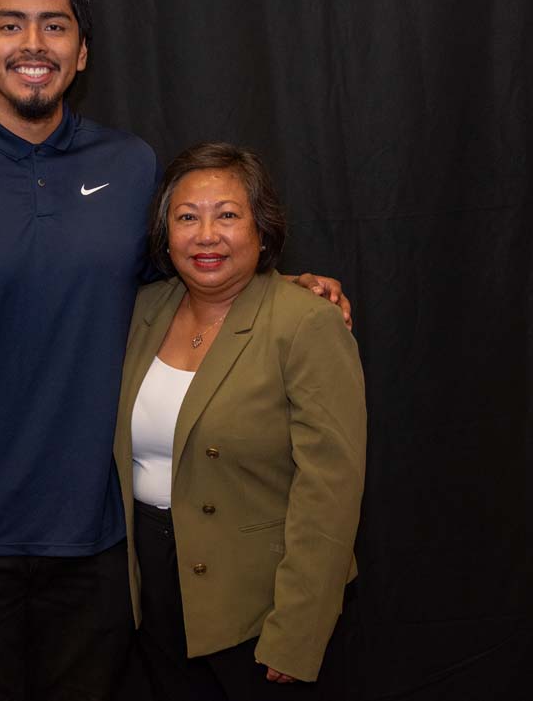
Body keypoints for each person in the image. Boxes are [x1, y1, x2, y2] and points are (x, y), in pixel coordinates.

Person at [0, 0, 350, 701]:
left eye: (55, 26)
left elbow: (193, 284)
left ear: (81, 53)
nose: (33, 44)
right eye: (11, 25)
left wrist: (288, 289)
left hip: (103, 547)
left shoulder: (133, 167)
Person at [114, 143, 367, 700]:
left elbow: (331, 491)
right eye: (187, 217)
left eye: (227, 215)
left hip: (259, 605)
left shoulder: (305, 323)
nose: (206, 235)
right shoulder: (142, 310)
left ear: (262, 228)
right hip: (154, 596)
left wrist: (298, 631)